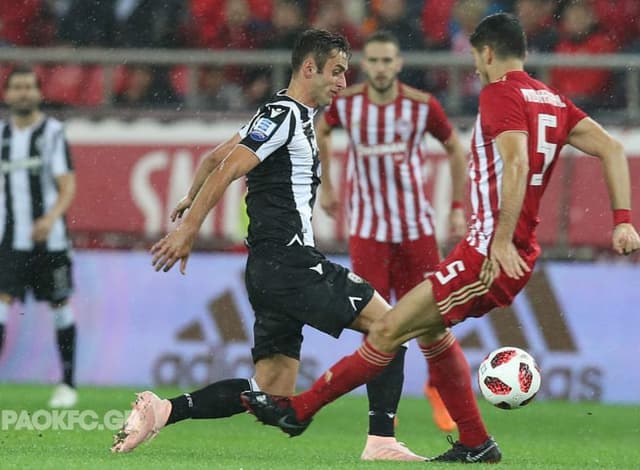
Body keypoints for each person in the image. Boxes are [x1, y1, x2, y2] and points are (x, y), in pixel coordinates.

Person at [242, 13, 640, 463]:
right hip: (485, 247)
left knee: (388, 328)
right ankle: (476, 442)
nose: (474, 68)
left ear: (487, 53)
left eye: (475, 58)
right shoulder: (551, 99)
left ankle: (300, 410)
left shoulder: (499, 94)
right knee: (428, 335)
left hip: (489, 252)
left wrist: (502, 240)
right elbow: (609, 146)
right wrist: (622, 219)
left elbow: (516, 164)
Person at [112, 29, 424, 461]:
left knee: (271, 392)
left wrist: (189, 196)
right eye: (336, 72)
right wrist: (188, 230)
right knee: (392, 326)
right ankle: (381, 441)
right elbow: (227, 170)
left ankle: (163, 410)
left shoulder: (276, 113)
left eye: (345, 73)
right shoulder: (286, 116)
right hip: (291, 262)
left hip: (266, 269)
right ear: (309, 68)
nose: (341, 82)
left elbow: (211, 160)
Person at [317, 30, 467, 433]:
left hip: (416, 230)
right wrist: (327, 185)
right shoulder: (347, 104)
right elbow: (321, 128)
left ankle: (439, 390)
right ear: (365, 65)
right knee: (375, 325)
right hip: (368, 231)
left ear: (398, 64)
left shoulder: (421, 106)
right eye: (375, 61)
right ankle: (386, 411)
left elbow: (456, 148)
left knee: (434, 322)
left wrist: (456, 208)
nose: (381, 68)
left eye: (388, 61)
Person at [0, 65, 78, 408]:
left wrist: (50, 217)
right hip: (10, 239)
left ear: (38, 93)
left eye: (28, 87)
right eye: (16, 87)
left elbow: (67, 184)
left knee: (60, 305)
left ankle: (68, 384)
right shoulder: (1, 136)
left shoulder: (52, 132)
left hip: (51, 239)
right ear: (7, 94)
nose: (23, 93)